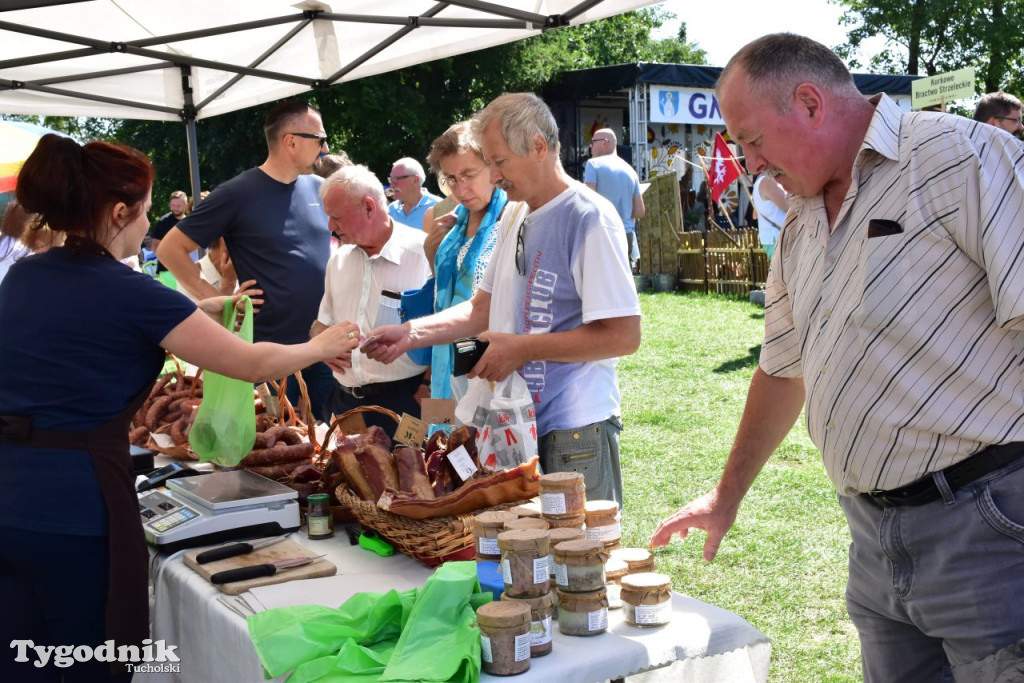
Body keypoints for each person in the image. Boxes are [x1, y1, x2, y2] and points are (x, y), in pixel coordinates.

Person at [650, 33, 1024, 682]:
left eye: (753, 140)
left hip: (988, 529)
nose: (750, 165)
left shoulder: (960, 156)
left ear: (810, 102)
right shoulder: (800, 218)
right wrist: (727, 493)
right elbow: (780, 366)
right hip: (874, 537)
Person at [0, 135, 361, 682]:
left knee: (25, 657)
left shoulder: (27, 273)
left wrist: (202, 306)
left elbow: (101, 324)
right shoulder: (127, 290)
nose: (151, 228)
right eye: (146, 215)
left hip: (11, 495)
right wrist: (321, 346)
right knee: (88, 660)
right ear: (118, 211)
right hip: (77, 504)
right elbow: (250, 363)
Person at [363, 93, 642, 505]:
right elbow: (481, 308)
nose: (493, 177)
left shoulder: (589, 218)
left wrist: (520, 349)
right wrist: (410, 333)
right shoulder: (515, 214)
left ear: (538, 147)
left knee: (580, 560)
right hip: (514, 426)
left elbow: (623, 336)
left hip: (574, 432)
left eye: (499, 162)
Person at [157, 100, 337, 421]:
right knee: (278, 450)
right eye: (319, 139)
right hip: (270, 356)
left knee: (325, 450)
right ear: (291, 142)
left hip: (324, 350)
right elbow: (170, 249)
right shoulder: (237, 193)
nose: (325, 147)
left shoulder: (321, 188)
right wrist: (217, 299)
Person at [312, 165, 432, 430]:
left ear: (368, 207)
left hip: (408, 401)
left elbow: (449, 331)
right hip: (345, 404)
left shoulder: (424, 253)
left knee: (412, 471)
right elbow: (321, 323)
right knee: (346, 472)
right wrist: (322, 347)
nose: (330, 226)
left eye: (337, 217)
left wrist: (427, 387)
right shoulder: (339, 260)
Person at [421, 121, 509, 401]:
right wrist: (431, 248)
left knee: (483, 443)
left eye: (469, 174)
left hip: (490, 369)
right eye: (451, 179)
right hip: (447, 365)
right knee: (444, 442)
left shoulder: (511, 217)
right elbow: (443, 295)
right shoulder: (452, 226)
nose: (461, 188)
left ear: (493, 168)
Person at [584, 127, 645, 269]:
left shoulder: (592, 164)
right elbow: (639, 211)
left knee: (600, 282)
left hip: (602, 233)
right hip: (626, 234)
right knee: (622, 283)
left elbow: (587, 202)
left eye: (593, 141)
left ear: (605, 142)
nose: (590, 146)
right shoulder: (630, 170)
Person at [386, 157, 440, 229]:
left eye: (396, 179)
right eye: (391, 179)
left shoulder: (438, 207)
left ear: (415, 179)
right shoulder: (392, 210)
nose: (391, 185)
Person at [147, 189, 192, 276]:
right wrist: (170, 261)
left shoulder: (189, 221)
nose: (175, 208)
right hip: (167, 271)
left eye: (178, 206)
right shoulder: (163, 222)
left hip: (187, 269)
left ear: (186, 205)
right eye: (173, 205)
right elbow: (155, 246)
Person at [749, 172, 788, 258]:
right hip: (779, 238)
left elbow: (755, 215)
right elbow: (788, 204)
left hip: (772, 239)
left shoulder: (759, 183)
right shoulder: (768, 181)